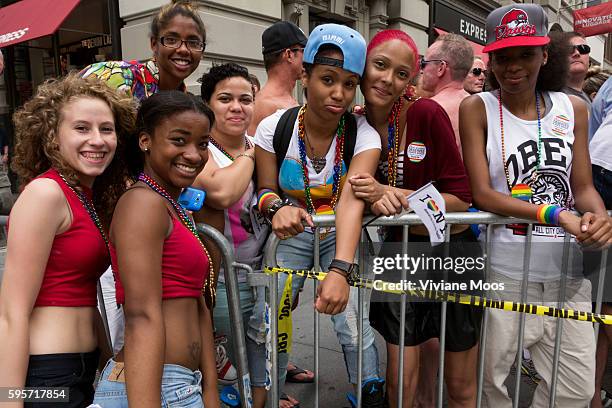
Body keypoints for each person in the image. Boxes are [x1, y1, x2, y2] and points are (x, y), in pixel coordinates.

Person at [460, 4, 612, 407]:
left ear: (546, 55)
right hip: (505, 274)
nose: (513, 67)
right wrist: (554, 213)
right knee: (491, 385)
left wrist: (594, 213)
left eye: (525, 54)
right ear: (490, 60)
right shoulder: (477, 108)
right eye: (502, 56)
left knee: (576, 390)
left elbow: (582, 187)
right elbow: (483, 194)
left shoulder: (573, 108)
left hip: (566, 275)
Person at [251, 23, 383, 408]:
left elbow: (351, 200)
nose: (338, 93)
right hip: (289, 241)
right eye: (327, 79)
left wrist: (340, 271)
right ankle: (270, 393)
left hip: (341, 236)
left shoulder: (363, 135)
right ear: (304, 76)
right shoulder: (274, 128)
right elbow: (265, 188)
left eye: (348, 83)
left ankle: (369, 394)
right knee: (271, 317)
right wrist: (276, 208)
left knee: (353, 325)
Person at [349, 29, 480, 408]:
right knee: (399, 385)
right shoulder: (353, 124)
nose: (387, 79)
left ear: (413, 78)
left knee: (458, 386)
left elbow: (461, 198)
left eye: (402, 73)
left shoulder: (424, 112)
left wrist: (395, 196)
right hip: (402, 253)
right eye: (379, 66)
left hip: (454, 253)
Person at [80, 0, 214, 357]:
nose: (183, 50)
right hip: (101, 212)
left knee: (141, 321)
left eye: (193, 41)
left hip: (145, 219)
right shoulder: (117, 77)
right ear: (153, 44)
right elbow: (67, 121)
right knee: (121, 328)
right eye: (172, 39)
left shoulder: (183, 100)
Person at [0, 73, 135, 407]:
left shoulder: (87, 196)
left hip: (80, 369)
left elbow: (84, 293)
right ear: (52, 137)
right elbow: (11, 313)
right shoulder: (46, 193)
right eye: (81, 128)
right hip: (47, 375)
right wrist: (9, 401)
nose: (98, 140)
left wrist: (108, 361)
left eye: (106, 129)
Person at [93, 91, 219, 407]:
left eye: (203, 144)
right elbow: (141, 317)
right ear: (146, 141)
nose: (193, 154)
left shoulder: (171, 206)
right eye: (179, 140)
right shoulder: (142, 204)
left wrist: (210, 391)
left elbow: (199, 305)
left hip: (180, 385)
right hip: (153, 388)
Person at [194, 62, 261, 386]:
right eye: (225, 99)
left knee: (261, 356)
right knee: (229, 372)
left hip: (265, 274)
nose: (237, 107)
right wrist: (250, 157)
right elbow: (221, 192)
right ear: (208, 104)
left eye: (245, 99)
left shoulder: (261, 143)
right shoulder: (200, 148)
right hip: (221, 281)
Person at [246, 20, 308, 136]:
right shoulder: (264, 106)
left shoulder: (284, 101)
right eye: (304, 51)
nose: (307, 58)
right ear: (289, 54)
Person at [420, 33, 474, 152]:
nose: (421, 70)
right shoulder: (479, 108)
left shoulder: (429, 109)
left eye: (424, 64)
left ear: (441, 68)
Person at [561, 31, 592, 109]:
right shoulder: (550, 95)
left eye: (583, 49)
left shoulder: (590, 100)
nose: (577, 53)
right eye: (569, 49)